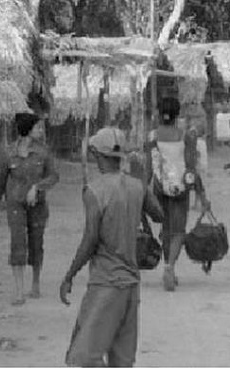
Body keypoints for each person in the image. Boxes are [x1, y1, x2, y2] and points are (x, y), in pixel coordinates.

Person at [60, 127, 163, 368]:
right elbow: (159, 215)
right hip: (131, 285)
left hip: (106, 283)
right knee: (123, 361)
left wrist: (70, 275)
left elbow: (90, 240)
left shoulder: (95, 191)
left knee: (83, 356)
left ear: (96, 154)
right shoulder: (136, 186)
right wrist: (143, 179)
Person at [0, 112, 59, 306]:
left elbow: (53, 176)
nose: (41, 131)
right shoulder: (8, 153)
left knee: (36, 243)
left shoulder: (44, 152)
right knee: (17, 244)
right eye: (37, 127)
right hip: (15, 205)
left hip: (38, 206)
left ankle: (35, 283)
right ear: (27, 129)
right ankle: (19, 292)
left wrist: (37, 187)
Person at [148, 117, 211, 292]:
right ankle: (169, 266)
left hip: (160, 188)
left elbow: (149, 167)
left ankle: (170, 268)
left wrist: (140, 193)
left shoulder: (152, 137)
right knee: (178, 231)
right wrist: (202, 195)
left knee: (166, 229)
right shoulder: (186, 137)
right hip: (181, 187)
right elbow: (191, 168)